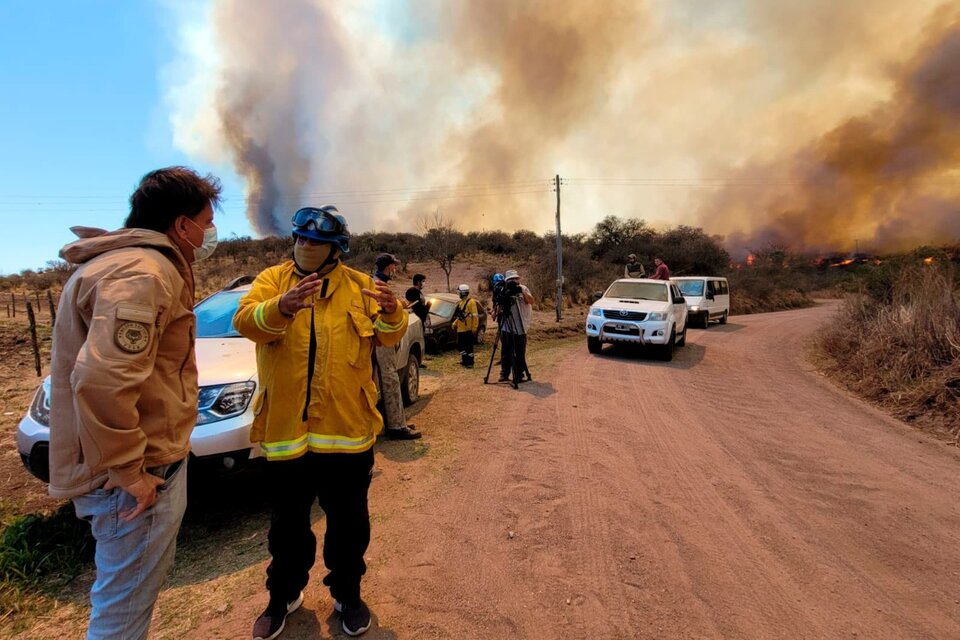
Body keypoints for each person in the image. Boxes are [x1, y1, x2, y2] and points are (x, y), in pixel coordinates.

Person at [48, 166, 222, 639]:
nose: (208, 234)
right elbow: (102, 379)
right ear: (181, 224)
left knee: (121, 603)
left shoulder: (117, 265)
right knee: (121, 616)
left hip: (119, 466)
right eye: (205, 222)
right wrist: (129, 471)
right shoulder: (144, 273)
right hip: (133, 477)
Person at [234, 207, 409, 639]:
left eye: (315, 242)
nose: (305, 247)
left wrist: (392, 312)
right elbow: (245, 321)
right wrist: (281, 307)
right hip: (286, 435)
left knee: (349, 525)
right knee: (287, 526)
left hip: (347, 433)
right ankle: (283, 597)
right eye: (300, 239)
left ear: (337, 250)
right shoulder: (271, 280)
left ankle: (347, 595)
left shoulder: (363, 286)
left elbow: (390, 335)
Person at [372, 253, 421, 440]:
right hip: (382, 339)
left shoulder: (376, 282)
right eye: (394, 266)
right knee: (390, 377)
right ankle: (396, 426)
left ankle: (394, 421)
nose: (395, 270)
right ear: (388, 267)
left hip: (380, 337)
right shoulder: (378, 285)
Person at [497, 270, 534, 387]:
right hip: (507, 326)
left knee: (520, 351)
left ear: (518, 280)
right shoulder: (504, 290)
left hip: (521, 326)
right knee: (506, 351)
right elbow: (499, 307)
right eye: (511, 280)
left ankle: (519, 374)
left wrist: (522, 291)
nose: (513, 282)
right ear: (507, 281)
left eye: (515, 279)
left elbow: (531, 301)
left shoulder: (523, 288)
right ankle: (504, 373)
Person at [452, 283, 480, 367]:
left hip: (468, 329)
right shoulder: (461, 302)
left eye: (459, 292)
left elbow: (475, 316)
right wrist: (455, 323)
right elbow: (460, 316)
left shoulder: (471, 302)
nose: (459, 294)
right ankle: (464, 360)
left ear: (463, 293)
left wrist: (474, 328)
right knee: (460, 346)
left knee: (468, 347)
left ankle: (470, 363)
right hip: (461, 328)